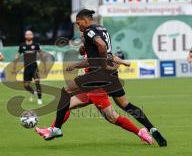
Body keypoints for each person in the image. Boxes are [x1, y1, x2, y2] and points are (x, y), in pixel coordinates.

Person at [41, 9, 167, 147]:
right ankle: (151, 127)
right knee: (126, 105)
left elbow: (101, 46)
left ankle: (56, 129)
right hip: (111, 75)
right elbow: (105, 51)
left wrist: (97, 65)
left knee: (65, 92)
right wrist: (121, 62)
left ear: (84, 19)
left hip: (98, 74)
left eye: (78, 23)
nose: (78, 26)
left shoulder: (89, 31)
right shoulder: (103, 29)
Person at [35, 54, 153, 144]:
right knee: (67, 104)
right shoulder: (89, 44)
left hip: (97, 89)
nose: (81, 34)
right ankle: (53, 129)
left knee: (112, 118)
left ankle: (140, 132)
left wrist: (120, 63)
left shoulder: (96, 45)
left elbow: (105, 60)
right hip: (88, 86)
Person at [13, 30, 46, 105]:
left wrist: (44, 64)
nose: (28, 36)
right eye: (27, 34)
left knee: (37, 82)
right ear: (25, 36)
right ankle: (32, 92)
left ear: (32, 36)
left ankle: (39, 98)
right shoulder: (22, 45)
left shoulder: (36, 45)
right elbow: (18, 54)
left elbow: (41, 54)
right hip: (26, 68)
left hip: (34, 67)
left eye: (30, 34)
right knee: (26, 85)